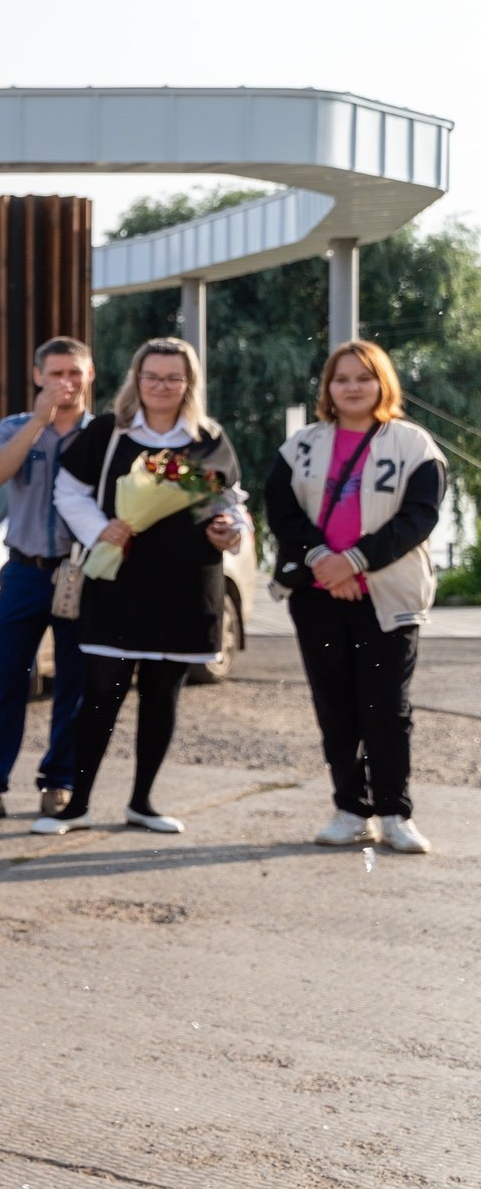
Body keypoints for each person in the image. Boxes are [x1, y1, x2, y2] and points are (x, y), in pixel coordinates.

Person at [34, 336, 247, 835]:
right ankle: (77, 806)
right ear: (137, 379)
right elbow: (69, 490)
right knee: (100, 694)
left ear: (188, 383)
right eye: (151, 376)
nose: (161, 386)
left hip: (185, 584)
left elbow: (227, 501)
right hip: (119, 582)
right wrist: (98, 528)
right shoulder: (110, 432)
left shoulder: (206, 438)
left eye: (173, 378)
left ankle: (142, 803)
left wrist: (230, 530)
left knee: (162, 695)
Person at [265, 340, 444, 854]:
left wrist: (355, 561)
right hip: (318, 597)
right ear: (328, 387)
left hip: (389, 598)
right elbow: (281, 510)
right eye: (341, 379)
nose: (352, 387)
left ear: (382, 383)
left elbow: (419, 517)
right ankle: (350, 810)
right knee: (335, 706)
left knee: (386, 708)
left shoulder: (414, 445)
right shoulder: (301, 446)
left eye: (363, 378)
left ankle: (394, 813)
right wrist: (325, 560)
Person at [0, 337, 93, 822]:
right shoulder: (13, 427)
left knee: (74, 685)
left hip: (81, 573)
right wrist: (38, 421)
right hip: (24, 571)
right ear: (37, 377)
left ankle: (59, 785)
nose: (65, 383)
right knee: (7, 682)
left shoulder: (103, 433)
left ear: (90, 375)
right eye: (55, 374)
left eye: (74, 373)